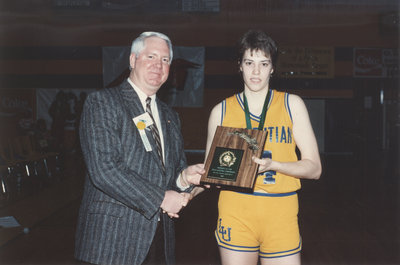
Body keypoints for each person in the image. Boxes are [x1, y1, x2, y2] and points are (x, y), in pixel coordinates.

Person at [74, 31, 204, 265]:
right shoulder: (103, 103)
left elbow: (170, 175)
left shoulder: (170, 116)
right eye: (151, 57)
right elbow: (104, 170)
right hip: (111, 243)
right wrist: (161, 198)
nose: (158, 65)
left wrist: (184, 178)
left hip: (160, 241)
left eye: (165, 60)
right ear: (133, 60)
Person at [204, 30, 322, 265]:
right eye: (249, 62)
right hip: (236, 211)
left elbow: (314, 168)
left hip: (281, 211)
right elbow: (211, 177)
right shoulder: (221, 111)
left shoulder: (292, 104)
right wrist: (190, 184)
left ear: (273, 68)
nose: (256, 71)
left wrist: (274, 165)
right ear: (239, 65)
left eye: (263, 63)